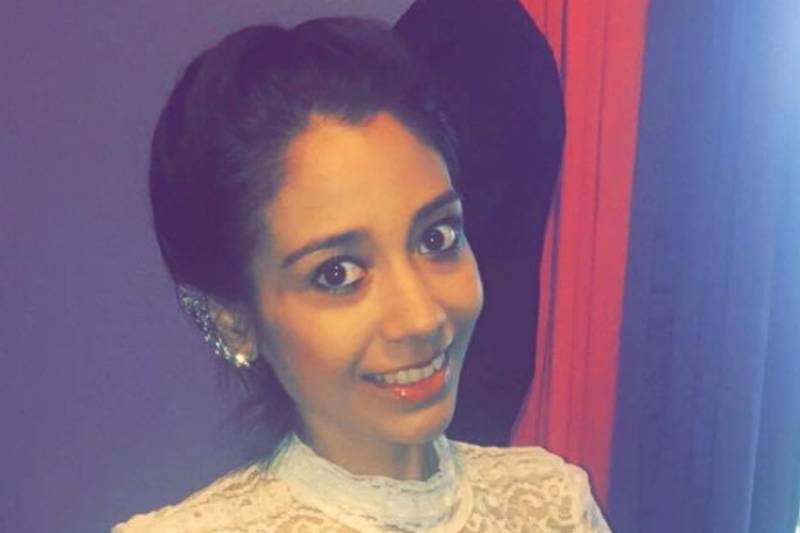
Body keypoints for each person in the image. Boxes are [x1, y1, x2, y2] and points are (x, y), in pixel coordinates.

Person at [113, 16, 610, 533]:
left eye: (436, 238)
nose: (420, 318)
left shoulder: (551, 505)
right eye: (337, 273)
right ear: (235, 322)